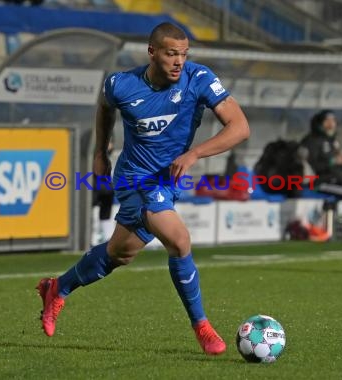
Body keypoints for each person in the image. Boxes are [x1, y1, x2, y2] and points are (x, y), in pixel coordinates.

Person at [36, 22, 250, 355]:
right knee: (179, 240)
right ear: (152, 53)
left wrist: (194, 153)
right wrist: (100, 152)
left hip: (168, 181)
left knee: (120, 253)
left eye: (183, 54)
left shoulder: (200, 79)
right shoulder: (122, 85)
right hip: (135, 178)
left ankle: (57, 288)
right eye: (171, 54)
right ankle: (202, 327)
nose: (179, 61)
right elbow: (105, 106)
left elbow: (240, 127)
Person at [299, 110, 342, 214]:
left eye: (333, 120)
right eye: (327, 120)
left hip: (336, 181)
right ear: (320, 123)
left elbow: (338, 168)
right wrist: (333, 161)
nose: (331, 124)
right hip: (321, 182)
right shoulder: (312, 141)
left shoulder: (332, 141)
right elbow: (314, 166)